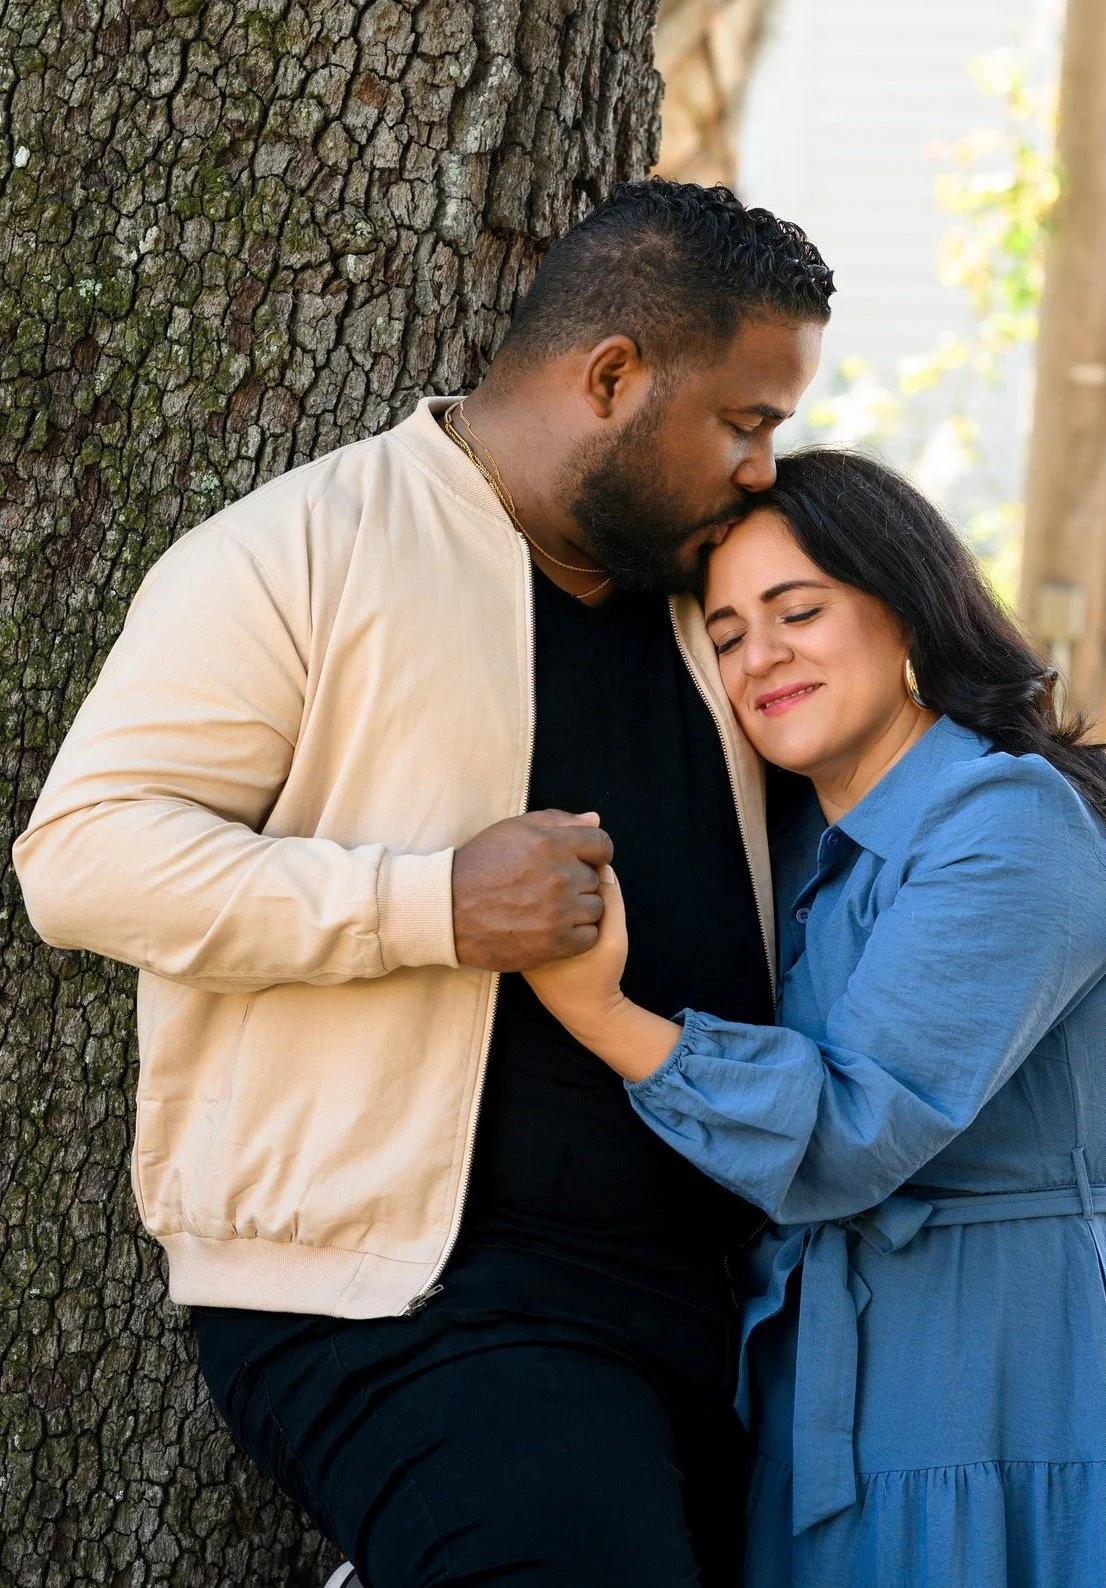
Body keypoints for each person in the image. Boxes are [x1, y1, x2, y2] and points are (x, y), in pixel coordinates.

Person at [13, 179, 833, 1586]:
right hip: (410, 1302)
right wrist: (426, 905)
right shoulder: (299, 552)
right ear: (612, 378)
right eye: (743, 423)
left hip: (730, 1304)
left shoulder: (728, 599)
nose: (761, 468)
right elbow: (80, 857)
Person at [525, 448, 1106, 1588]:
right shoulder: (789, 845)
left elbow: (855, 1127)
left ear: (901, 602)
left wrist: (597, 1011)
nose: (759, 655)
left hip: (1025, 1384)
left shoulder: (1006, 819)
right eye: (723, 635)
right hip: (838, 1395)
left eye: (795, 610)